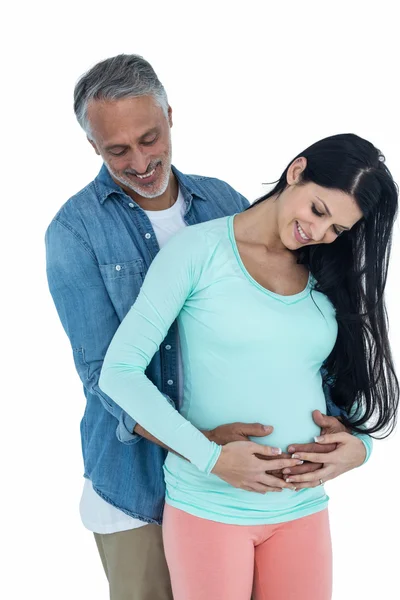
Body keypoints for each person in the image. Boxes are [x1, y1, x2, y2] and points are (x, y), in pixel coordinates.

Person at [45, 53, 351, 599]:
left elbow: (285, 325)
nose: (141, 161)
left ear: (170, 117)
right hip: (135, 477)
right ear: (92, 145)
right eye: (117, 149)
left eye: (150, 137)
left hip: (253, 487)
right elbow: (102, 373)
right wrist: (201, 447)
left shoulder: (223, 203)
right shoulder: (75, 230)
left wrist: (347, 434)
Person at [99, 132, 399, 600]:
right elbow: (119, 370)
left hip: (302, 507)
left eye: (338, 229)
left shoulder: (326, 271)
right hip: (210, 506)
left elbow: (347, 383)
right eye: (319, 211)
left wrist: (360, 449)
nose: (319, 233)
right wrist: (212, 457)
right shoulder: (198, 252)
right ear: (296, 172)